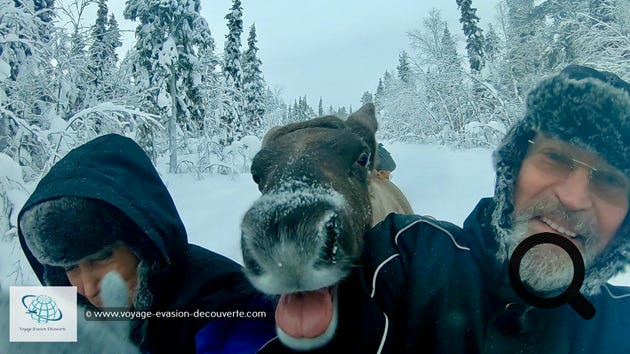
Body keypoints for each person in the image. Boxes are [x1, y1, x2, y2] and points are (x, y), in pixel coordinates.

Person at [360, 64, 630, 353]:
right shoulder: (404, 259)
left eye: (610, 180)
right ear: (513, 169)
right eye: (556, 158)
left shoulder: (621, 324)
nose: (573, 198)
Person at [17, 134, 276, 354]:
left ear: (143, 246)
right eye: (70, 267)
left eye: (102, 257)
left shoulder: (226, 304)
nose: (87, 287)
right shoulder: (64, 307)